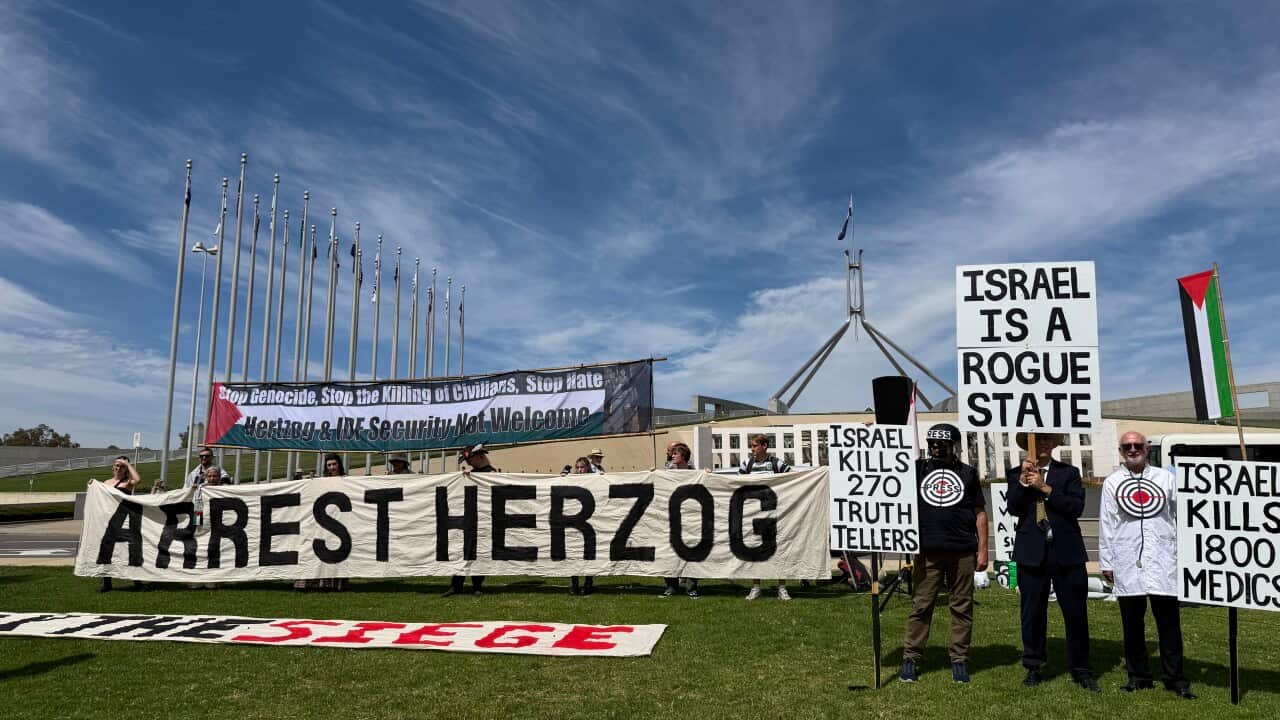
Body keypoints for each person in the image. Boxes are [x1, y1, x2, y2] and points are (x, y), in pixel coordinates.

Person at [1100, 432, 1196, 699]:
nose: (1133, 450)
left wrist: (1185, 552)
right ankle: (1138, 676)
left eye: (1138, 445)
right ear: (1121, 451)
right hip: (1127, 559)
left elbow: (1181, 515)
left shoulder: (1167, 479)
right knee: (1132, 624)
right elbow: (1107, 523)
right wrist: (1107, 560)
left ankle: (1175, 677)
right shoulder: (1112, 482)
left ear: (1147, 448)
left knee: (1169, 624)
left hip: (1163, 558)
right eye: (1127, 446)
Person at [1006, 432, 1097, 691]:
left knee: (1075, 612)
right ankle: (1033, 665)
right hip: (1031, 552)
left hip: (1066, 551)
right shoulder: (1016, 474)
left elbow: (1075, 508)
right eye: (1037, 441)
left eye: (1047, 440)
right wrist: (1025, 483)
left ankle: (1081, 667)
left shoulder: (1068, 473)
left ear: (1055, 444)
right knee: (1032, 613)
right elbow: (1014, 508)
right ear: (1028, 447)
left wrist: (1046, 489)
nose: (1043, 445)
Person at [899, 424, 988, 684]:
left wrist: (983, 550)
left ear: (955, 446)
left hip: (962, 551)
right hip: (927, 551)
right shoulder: (918, 470)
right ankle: (911, 657)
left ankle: (959, 659)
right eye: (933, 443)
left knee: (962, 606)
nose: (936, 448)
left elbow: (980, 513)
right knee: (921, 605)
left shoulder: (968, 474)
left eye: (942, 444)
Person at [739, 434, 792, 600]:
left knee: (779, 549)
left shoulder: (777, 463)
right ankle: (756, 586)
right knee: (755, 549)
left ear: (764, 446)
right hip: (754, 513)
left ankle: (782, 587)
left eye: (754, 445)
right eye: (751, 446)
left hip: (775, 513)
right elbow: (736, 483)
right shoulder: (747, 463)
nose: (752, 449)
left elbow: (792, 479)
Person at [444, 444, 493, 597]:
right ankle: (456, 585)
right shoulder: (470, 474)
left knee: (479, 553)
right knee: (461, 551)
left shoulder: (491, 474)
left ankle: (477, 585)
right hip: (467, 519)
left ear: (479, 456)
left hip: (483, 520)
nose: (469, 463)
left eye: (470, 459)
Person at [295, 454, 348, 592]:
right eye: (329, 465)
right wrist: (311, 482)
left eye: (334, 464)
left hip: (340, 520)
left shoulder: (347, 479)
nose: (332, 467)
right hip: (324, 520)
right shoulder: (323, 480)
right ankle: (318, 583)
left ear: (339, 465)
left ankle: (336, 584)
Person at [93, 456, 142, 592]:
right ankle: (107, 583)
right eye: (116, 465)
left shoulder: (127, 483)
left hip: (125, 519)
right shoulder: (106, 482)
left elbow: (138, 480)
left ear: (126, 468)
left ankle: (137, 581)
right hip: (109, 520)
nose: (118, 468)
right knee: (106, 550)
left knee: (131, 550)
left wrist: (127, 463)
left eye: (121, 466)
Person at [662, 443, 700, 599]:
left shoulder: (694, 473)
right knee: (669, 551)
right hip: (672, 517)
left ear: (683, 456)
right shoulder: (668, 472)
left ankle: (691, 586)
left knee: (692, 551)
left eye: (675, 454)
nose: (672, 456)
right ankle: (671, 585)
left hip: (690, 518)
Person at [568, 457, 596, 596]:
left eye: (582, 467)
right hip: (574, 523)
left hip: (588, 523)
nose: (580, 470)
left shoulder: (594, 480)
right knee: (574, 553)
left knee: (588, 553)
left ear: (587, 468)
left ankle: (588, 582)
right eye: (577, 467)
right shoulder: (571, 480)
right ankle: (574, 584)